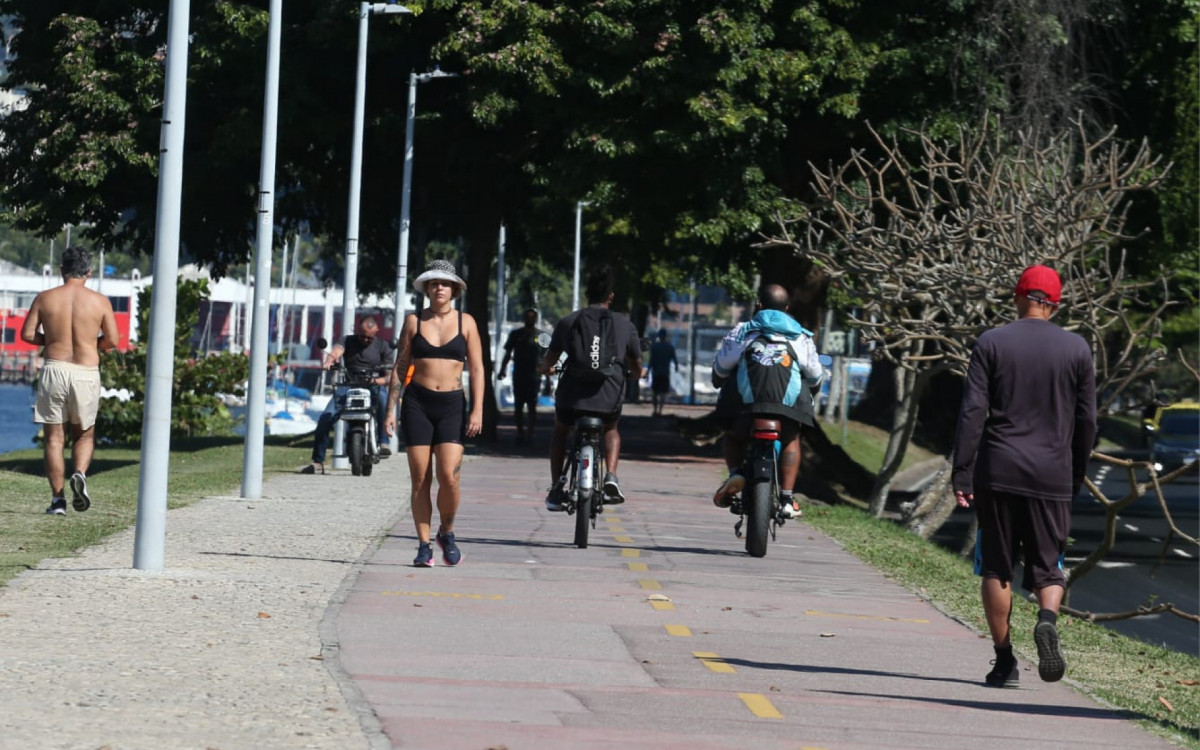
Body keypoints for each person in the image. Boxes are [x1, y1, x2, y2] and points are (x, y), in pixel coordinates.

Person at [951, 264, 1096, 688]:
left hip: (998, 468)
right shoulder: (1077, 349)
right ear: (1055, 304)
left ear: (1017, 297)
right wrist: (1076, 471)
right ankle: (1047, 619)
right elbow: (1087, 420)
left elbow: (973, 412)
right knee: (1049, 568)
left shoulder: (992, 342)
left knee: (996, 566)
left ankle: (1004, 661)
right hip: (1052, 473)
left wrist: (962, 470)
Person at [384, 259, 484, 567]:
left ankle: (448, 533)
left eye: (444, 283)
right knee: (420, 478)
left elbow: (478, 368)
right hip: (418, 404)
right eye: (434, 283)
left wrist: (478, 410)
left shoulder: (466, 322)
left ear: (454, 289)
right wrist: (391, 408)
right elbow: (401, 367)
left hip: (452, 404)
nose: (439, 288)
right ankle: (424, 545)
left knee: (449, 477)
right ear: (427, 288)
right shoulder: (414, 321)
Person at [710, 284, 823, 520]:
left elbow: (720, 370)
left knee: (733, 435)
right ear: (787, 308)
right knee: (791, 438)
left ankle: (735, 473)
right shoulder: (801, 336)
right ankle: (787, 498)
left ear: (759, 305)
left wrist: (720, 379)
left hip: (747, 406)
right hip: (787, 406)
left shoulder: (742, 332)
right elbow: (814, 376)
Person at [20, 247, 119, 516]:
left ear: (62, 270)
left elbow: (27, 335)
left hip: (55, 367)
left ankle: (58, 501)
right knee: (84, 433)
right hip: (85, 370)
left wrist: (51, 341)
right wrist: (89, 343)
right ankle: (80, 474)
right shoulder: (100, 302)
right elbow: (112, 341)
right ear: (89, 271)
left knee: (54, 437)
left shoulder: (46, 298)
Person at [537, 265, 643, 510]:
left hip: (571, 399)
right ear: (611, 296)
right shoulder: (624, 325)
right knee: (611, 428)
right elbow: (636, 365)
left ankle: (556, 489)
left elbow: (550, 360)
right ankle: (611, 476)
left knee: (561, 431)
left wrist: (544, 368)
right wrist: (636, 374)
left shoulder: (568, 322)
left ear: (587, 294)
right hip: (608, 397)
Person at [307, 315, 394, 473]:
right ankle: (318, 462)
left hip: (373, 385)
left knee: (383, 399)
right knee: (326, 417)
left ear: (376, 331)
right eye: (362, 336)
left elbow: (389, 376)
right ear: (357, 331)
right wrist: (330, 361)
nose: (365, 340)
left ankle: (384, 441)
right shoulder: (347, 340)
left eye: (369, 337)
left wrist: (376, 381)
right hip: (348, 385)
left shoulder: (383, 346)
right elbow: (337, 351)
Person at [498, 308, 544, 443]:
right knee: (518, 405)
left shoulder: (542, 336)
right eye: (527, 317)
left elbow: (548, 356)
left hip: (535, 375)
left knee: (532, 405)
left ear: (535, 319)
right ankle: (520, 432)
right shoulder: (516, 334)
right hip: (519, 374)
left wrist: (547, 376)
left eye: (532, 317)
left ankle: (530, 433)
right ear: (524, 318)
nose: (529, 319)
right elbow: (508, 354)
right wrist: (502, 370)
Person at [648, 329, 678, 417]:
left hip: (656, 372)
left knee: (655, 392)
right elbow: (674, 359)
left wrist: (648, 370)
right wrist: (676, 366)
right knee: (662, 393)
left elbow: (651, 360)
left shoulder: (654, 346)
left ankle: (655, 410)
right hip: (665, 372)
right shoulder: (669, 347)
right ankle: (660, 411)